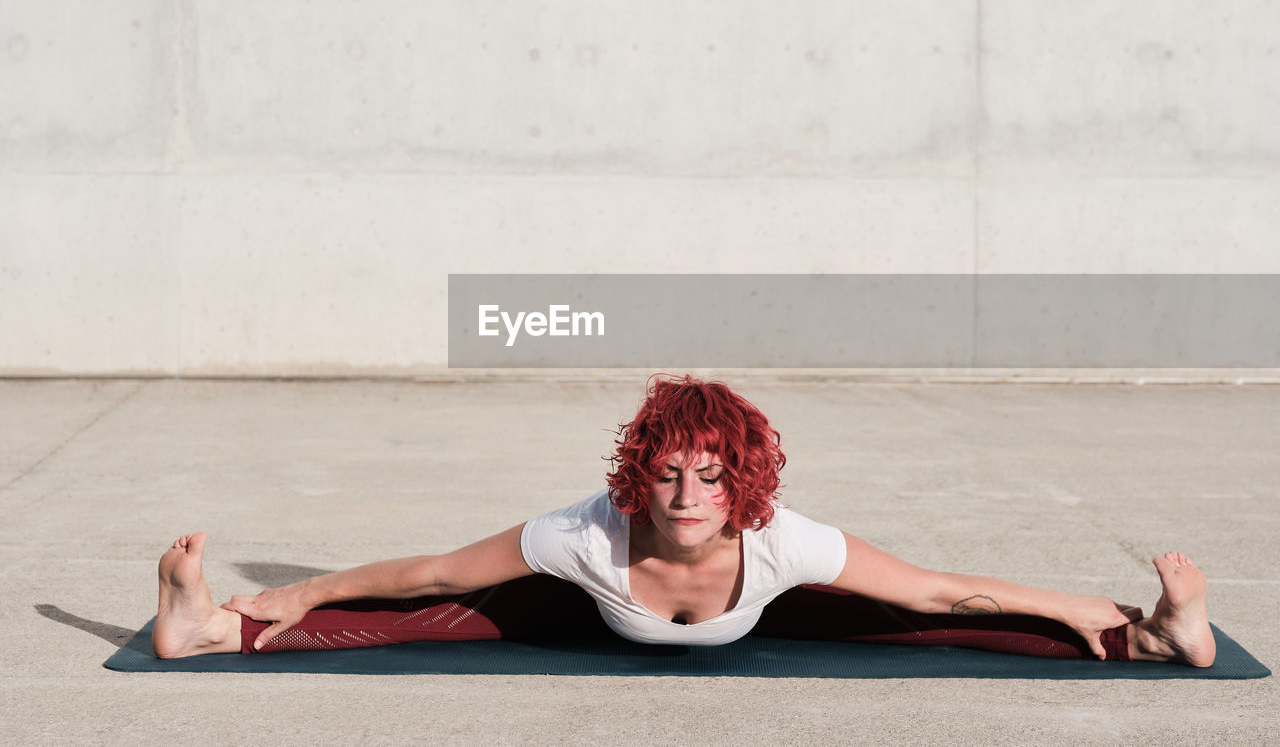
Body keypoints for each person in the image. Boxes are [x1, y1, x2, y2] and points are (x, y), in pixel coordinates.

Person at [152, 375, 1216, 667]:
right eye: (668, 474)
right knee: (440, 615)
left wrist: (1084, 604)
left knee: (917, 622)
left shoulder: (785, 541)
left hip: (771, 615)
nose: (688, 494)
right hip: (581, 614)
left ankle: (1147, 637)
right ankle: (213, 629)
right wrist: (297, 591)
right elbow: (429, 568)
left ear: (742, 482)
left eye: (712, 476)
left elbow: (945, 591)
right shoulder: (582, 534)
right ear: (636, 479)